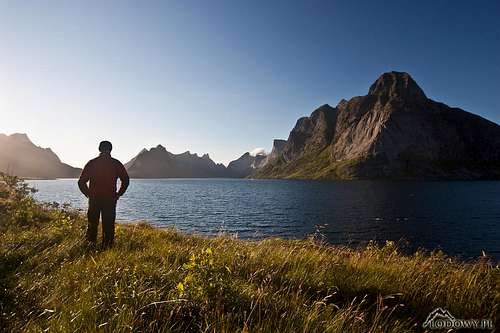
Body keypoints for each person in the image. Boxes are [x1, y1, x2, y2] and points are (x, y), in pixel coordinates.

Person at [78, 141, 129, 247]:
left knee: (92, 224)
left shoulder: (92, 163)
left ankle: (90, 246)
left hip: (94, 199)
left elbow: (81, 182)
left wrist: (88, 194)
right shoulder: (116, 163)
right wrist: (119, 194)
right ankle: (107, 248)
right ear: (111, 149)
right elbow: (126, 180)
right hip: (110, 200)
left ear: (99, 149)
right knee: (108, 225)